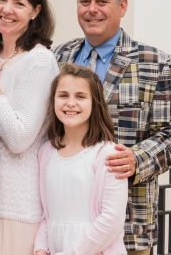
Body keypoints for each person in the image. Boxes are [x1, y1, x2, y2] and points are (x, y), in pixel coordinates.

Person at [53, 0, 171, 255]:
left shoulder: (156, 63)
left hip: (127, 227)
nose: (92, 9)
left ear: (122, 6)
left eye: (102, 1)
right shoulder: (57, 56)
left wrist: (136, 160)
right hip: (63, 223)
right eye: (85, 1)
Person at [0, 0, 59, 254]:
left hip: (18, 207)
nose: (6, 9)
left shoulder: (39, 61)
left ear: (35, 11)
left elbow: (19, 137)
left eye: (19, 3)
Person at [34, 64, 127, 255]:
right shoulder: (45, 152)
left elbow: (112, 220)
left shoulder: (108, 154)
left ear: (95, 103)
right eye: (63, 95)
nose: (70, 103)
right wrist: (40, 247)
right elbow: (46, 214)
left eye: (80, 96)